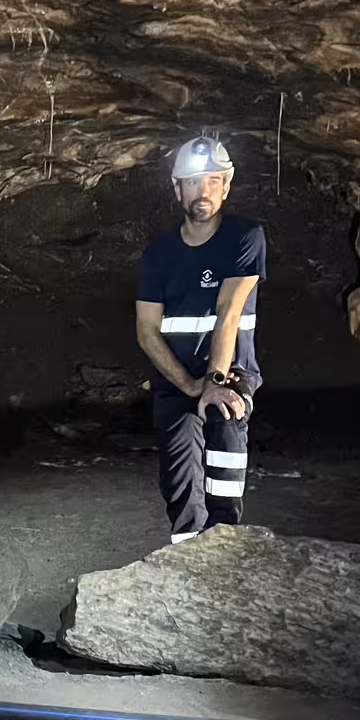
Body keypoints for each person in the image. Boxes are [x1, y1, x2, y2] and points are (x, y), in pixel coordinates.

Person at [134, 137, 266, 543]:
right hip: (177, 380)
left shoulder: (245, 238)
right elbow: (146, 331)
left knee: (223, 447)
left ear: (226, 186)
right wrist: (190, 385)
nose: (202, 191)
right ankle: (186, 559)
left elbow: (228, 315)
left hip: (229, 374)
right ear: (178, 190)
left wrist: (214, 382)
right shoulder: (158, 254)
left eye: (212, 181)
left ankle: (223, 545)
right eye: (192, 182)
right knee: (181, 486)